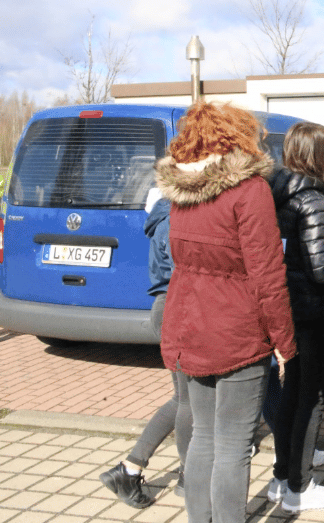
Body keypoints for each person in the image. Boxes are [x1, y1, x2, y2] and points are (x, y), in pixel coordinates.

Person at [155, 101, 296, 523]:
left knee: (204, 438)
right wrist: (285, 343)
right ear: (237, 138)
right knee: (233, 444)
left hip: (190, 327)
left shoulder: (183, 192)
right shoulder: (248, 191)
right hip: (236, 332)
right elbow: (268, 275)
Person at [265, 122, 324, 512]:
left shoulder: (276, 194)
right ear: (320, 155)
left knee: (291, 391)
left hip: (286, 307)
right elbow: (322, 270)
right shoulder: (312, 200)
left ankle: (282, 475)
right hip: (313, 312)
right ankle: (299, 487)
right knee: (311, 396)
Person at [100, 188, 191, 508]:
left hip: (169, 308)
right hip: (176, 310)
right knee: (188, 401)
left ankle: (131, 468)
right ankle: (183, 475)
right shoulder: (173, 219)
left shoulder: (164, 215)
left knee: (184, 399)